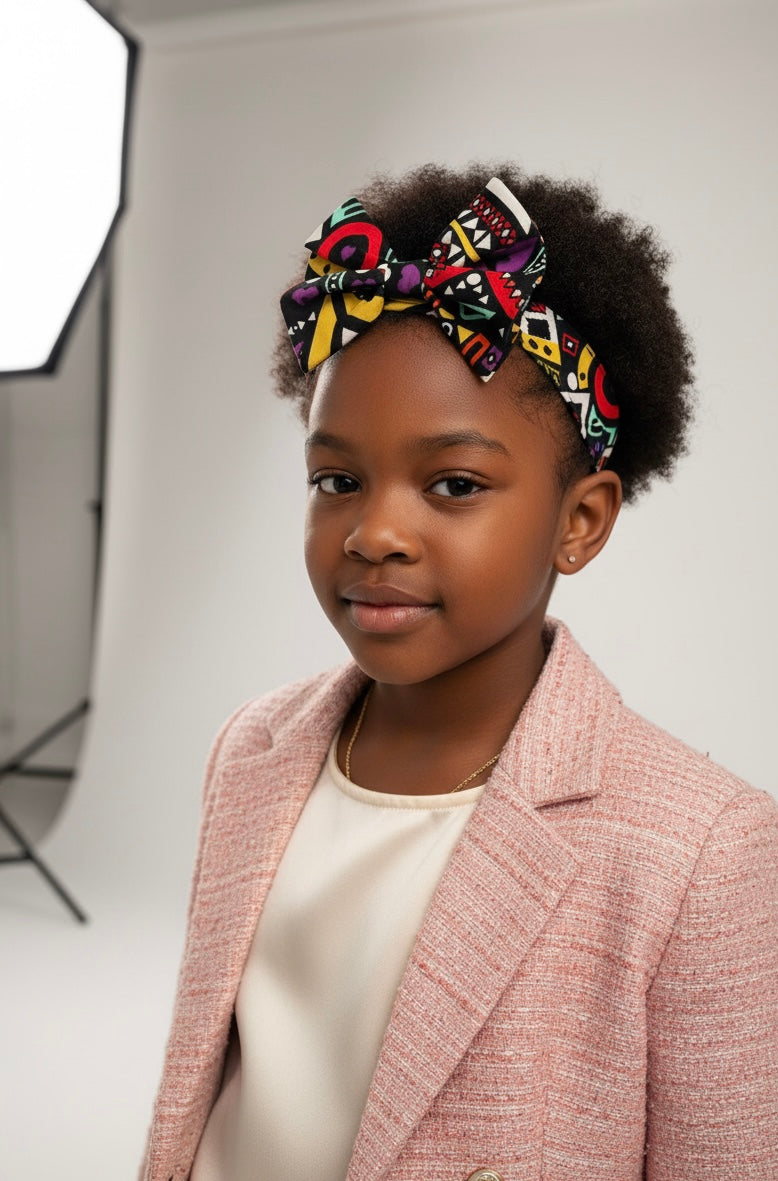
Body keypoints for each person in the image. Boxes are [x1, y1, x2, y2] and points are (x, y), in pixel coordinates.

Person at [140, 164, 778, 1181]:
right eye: (336, 478)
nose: (376, 530)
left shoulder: (700, 852)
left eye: (454, 483)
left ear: (580, 520)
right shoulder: (252, 749)